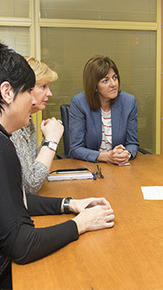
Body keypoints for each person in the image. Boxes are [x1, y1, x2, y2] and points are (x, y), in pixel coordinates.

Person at [0, 43, 115, 289]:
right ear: (7, 92)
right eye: (29, 91)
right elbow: (23, 245)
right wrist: (81, 223)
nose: (34, 98)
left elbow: (15, 199)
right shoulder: (2, 146)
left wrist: (70, 204)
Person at [69, 55, 139, 165]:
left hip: (119, 166)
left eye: (115, 77)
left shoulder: (128, 102)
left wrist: (126, 154)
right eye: (105, 80)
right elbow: (75, 148)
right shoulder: (80, 103)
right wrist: (105, 157)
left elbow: (132, 143)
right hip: (92, 166)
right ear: (95, 86)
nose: (113, 84)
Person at [10, 57, 63, 194]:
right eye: (43, 86)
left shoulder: (27, 117)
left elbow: (34, 168)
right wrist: (52, 141)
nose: (50, 93)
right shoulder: (13, 124)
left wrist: (47, 140)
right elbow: (30, 186)